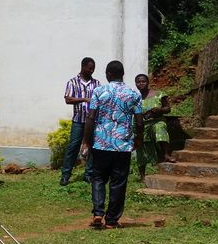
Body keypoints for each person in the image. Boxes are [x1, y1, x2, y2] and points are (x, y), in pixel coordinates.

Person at [81, 61, 143, 229]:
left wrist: (86, 141)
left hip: (101, 143)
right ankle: (112, 220)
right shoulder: (133, 93)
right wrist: (139, 139)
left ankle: (98, 212)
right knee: (119, 181)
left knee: (98, 177)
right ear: (122, 74)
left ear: (108, 74)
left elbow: (91, 118)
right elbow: (139, 121)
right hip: (123, 145)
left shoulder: (99, 91)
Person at [61, 58, 100, 185]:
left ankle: (88, 174)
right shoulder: (72, 82)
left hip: (93, 121)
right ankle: (66, 175)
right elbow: (68, 99)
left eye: (93, 68)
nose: (91, 70)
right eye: (89, 68)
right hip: (78, 121)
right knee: (73, 147)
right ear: (83, 66)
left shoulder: (97, 84)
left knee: (92, 147)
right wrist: (84, 99)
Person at [134, 73, 175, 180]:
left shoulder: (159, 94)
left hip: (157, 121)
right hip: (142, 125)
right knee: (141, 148)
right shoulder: (135, 98)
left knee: (160, 128)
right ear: (136, 84)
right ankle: (142, 175)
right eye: (138, 82)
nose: (141, 83)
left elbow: (168, 108)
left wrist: (160, 110)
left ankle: (166, 154)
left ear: (148, 82)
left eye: (143, 81)